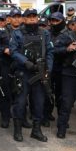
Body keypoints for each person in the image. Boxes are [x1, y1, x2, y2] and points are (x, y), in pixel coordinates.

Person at [9, 8, 54, 142]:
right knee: (20, 102)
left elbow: (50, 51)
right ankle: (17, 130)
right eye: (29, 17)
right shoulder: (17, 33)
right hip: (24, 72)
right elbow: (13, 51)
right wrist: (26, 62)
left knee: (39, 102)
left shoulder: (44, 33)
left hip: (39, 73)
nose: (32, 18)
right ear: (24, 19)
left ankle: (36, 130)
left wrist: (48, 69)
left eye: (34, 16)